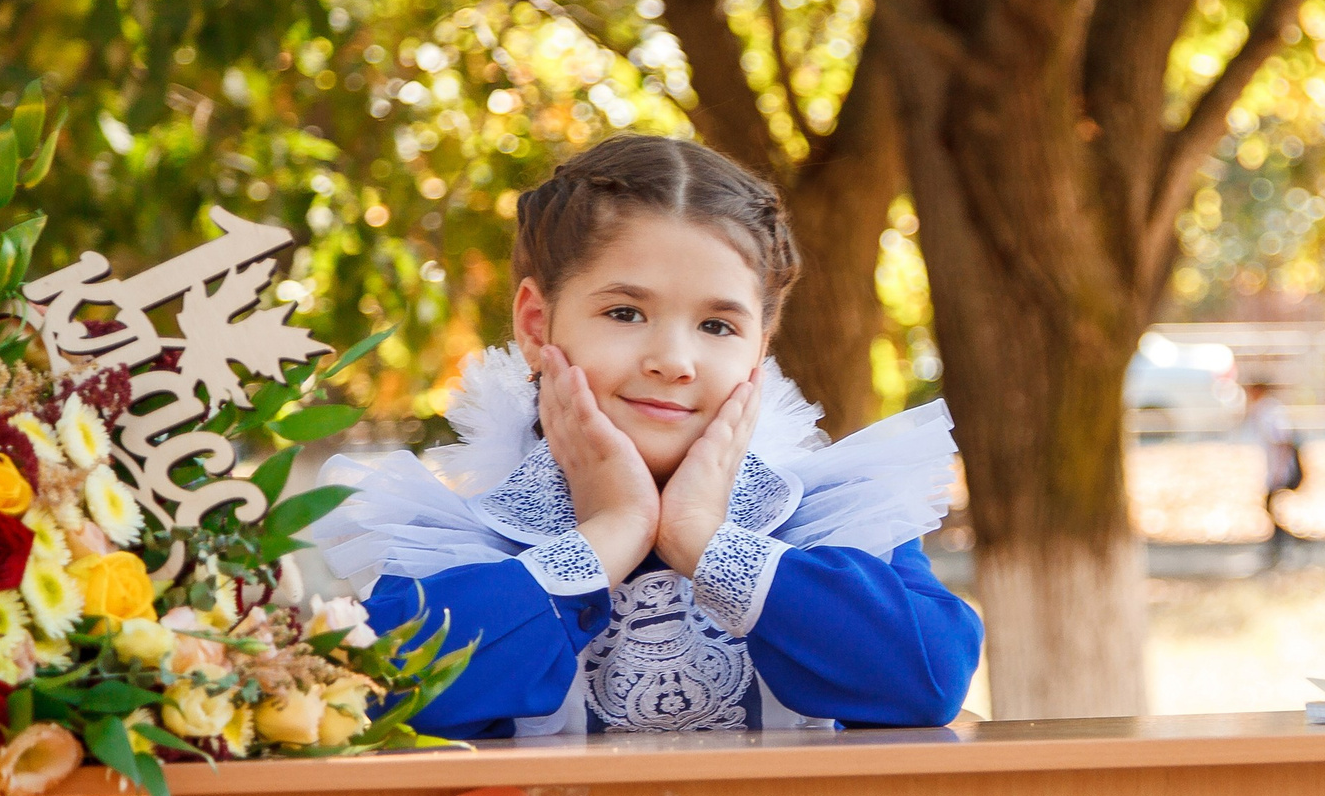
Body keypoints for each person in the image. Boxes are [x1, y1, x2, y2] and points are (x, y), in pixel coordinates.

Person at [313, 136, 980, 736]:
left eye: (718, 326)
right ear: (537, 326)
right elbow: (378, 694)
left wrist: (702, 539)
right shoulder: (456, 544)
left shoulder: (833, 524)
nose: (673, 360)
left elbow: (930, 681)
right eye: (626, 312)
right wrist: (609, 533)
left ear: (759, 349)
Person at [1243, 381, 1303, 560]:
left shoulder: (1270, 411)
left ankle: (1282, 543)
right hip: (1275, 466)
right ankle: (1282, 541)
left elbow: (1283, 441)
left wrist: (1280, 470)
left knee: (1270, 504)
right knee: (1270, 506)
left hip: (1281, 467)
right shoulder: (1262, 410)